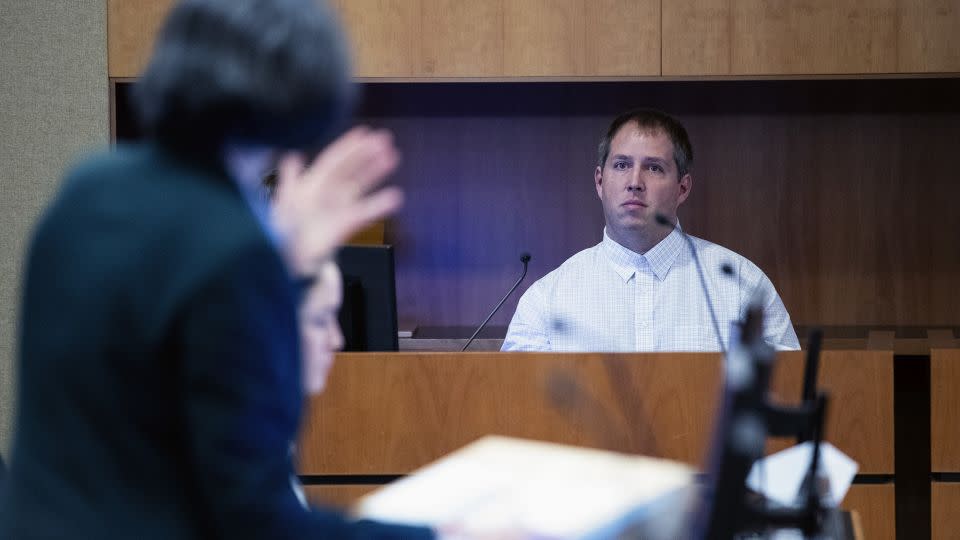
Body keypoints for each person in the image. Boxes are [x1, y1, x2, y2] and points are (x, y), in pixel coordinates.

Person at [0, 0, 433, 538]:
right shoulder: (234, 248)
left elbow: (146, 403)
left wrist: (286, 269)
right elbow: (257, 520)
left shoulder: (87, 188)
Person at [502, 109, 799, 352]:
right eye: (621, 165)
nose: (635, 181)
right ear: (599, 182)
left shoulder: (742, 287)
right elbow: (517, 410)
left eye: (654, 168)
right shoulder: (547, 300)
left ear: (683, 188)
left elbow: (786, 394)